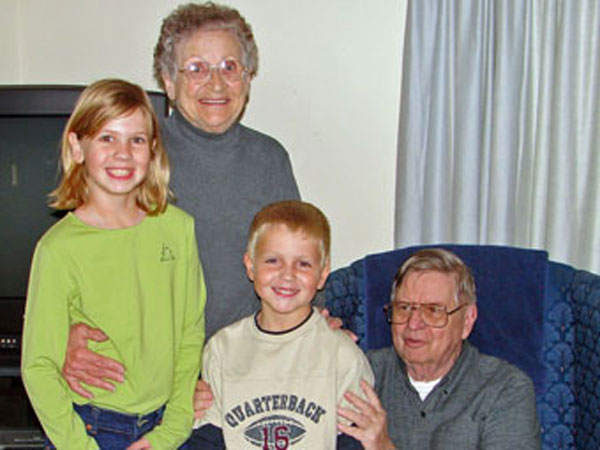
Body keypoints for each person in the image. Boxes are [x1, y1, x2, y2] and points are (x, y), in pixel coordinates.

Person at [62, 1, 302, 399]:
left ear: (248, 78)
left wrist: (318, 319)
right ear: (168, 82)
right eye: (196, 68)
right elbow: (79, 259)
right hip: (150, 371)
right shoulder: (135, 155)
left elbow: (295, 257)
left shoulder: (269, 158)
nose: (216, 83)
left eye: (229, 67)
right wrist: (65, 333)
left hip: (247, 365)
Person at [21, 79, 205, 449]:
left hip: (165, 427)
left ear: (152, 150)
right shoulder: (58, 250)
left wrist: (172, 429)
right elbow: (38, 367)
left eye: (136, 140)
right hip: (89, 427)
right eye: (107, 138)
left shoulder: (178, 228)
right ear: (77, 147)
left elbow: (190, 333)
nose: (123, 153)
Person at [189, 200, 373, 449]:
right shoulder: (222, 348)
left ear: (322, 274)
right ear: (250, 266)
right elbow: (209, 439)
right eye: (273, 260)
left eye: (303, 263)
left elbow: (353, 441)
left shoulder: (343, 355)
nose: (288, 274)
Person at [336, 248, 541, 449]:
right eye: (404, 308)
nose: (413, 324)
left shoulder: (505, 389)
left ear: (467, 321)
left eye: (433, 310)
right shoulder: (361, 372)